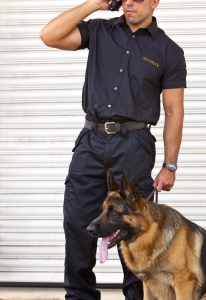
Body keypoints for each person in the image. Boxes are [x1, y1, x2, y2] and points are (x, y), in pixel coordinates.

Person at [40, 0, 186, 299]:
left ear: (155, 1)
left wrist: (170, 165)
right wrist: (95, 4)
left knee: (133, 229)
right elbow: (49, 36)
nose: (129, 3)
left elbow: (173, 111)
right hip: (90, 143)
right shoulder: (99, 31)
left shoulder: (169, 51)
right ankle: (80, 296)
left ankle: (136, 297)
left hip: (134, 146)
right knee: (79, 224)